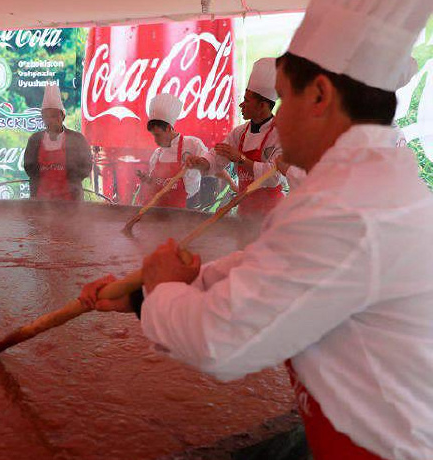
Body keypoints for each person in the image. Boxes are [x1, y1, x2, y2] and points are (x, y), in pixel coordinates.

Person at [80, 0, 433, 458]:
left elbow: (218, 343)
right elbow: (260, 268)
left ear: (320, 96)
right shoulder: (367, 182)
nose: (278, 119)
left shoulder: (347, 207)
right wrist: (139, 295)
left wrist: (164, 284)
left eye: (284, 99)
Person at [212, 58, 286, 217]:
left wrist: (240, 159)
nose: (241, 105)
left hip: (272, 217)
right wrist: (201, 162)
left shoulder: (282, 135)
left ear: (262, 106)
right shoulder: (239, 133)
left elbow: (273, 177)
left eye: (246, 100)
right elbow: (217, 158)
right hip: (245, 214)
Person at [137, 93, 215, 208]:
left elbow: (211, 165)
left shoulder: (192, 144)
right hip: (158, 210)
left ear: (169, 128)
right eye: (153, 136)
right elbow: (156, 184)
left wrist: (199, 162)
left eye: (158, 135)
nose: (156, 140)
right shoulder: (157, 154)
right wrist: (147, 179)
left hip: (185, 210)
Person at [23, 85, 92, 201]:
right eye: (47, 116)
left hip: (71, 200)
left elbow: (87, 166)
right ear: (43, 118)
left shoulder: (77, 139)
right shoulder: (34, 140)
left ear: (63, 116)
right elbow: (28, 167)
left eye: (54, 116)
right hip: (41, 199)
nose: (51, 120)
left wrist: (72, 179)